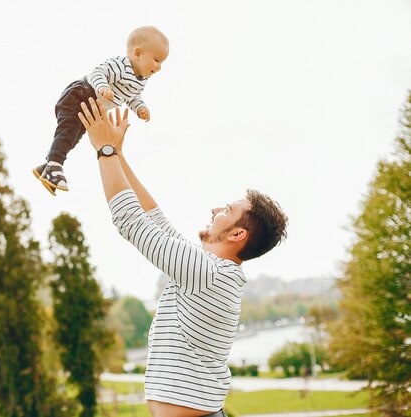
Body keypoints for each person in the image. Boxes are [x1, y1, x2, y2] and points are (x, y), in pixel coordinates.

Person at [77, 98, 288, 417]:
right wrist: (118, 155)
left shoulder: (207, 273)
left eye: (227, 211)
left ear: (236, 235)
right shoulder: (212, 272)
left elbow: (130, 221)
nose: (216, 210)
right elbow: (154, 218)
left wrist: (104, 151)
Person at [33, 26, 169, 195]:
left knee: (73, 138)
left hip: (93, 107)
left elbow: (133, 96)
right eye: (156, 60)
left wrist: (140, 107)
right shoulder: (120, 64)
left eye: (162, 63)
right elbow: (98, 73)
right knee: (68, 131)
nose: (159, 67)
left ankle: (46, 167)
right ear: (138, 53)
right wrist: (103, 86)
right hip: (80, 94)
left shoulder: (140, 80)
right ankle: (54, 168)